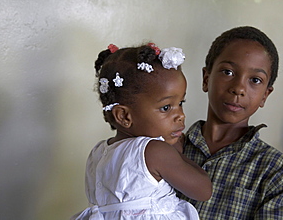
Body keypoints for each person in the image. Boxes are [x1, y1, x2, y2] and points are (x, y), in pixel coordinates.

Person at [71, 43, 212, 220]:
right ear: (123, 116)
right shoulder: (154, 150)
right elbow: (203, 190)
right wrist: (175, 149)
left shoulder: (98, 152)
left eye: (181, 103)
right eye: (166, 107)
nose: (181, 116)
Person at [178, 26, 283, 219]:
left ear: (265, 95)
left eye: (255, 79)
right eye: (228, 72)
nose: (238, 88)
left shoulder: (274, 171)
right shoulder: (168, 148)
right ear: (206, 78)